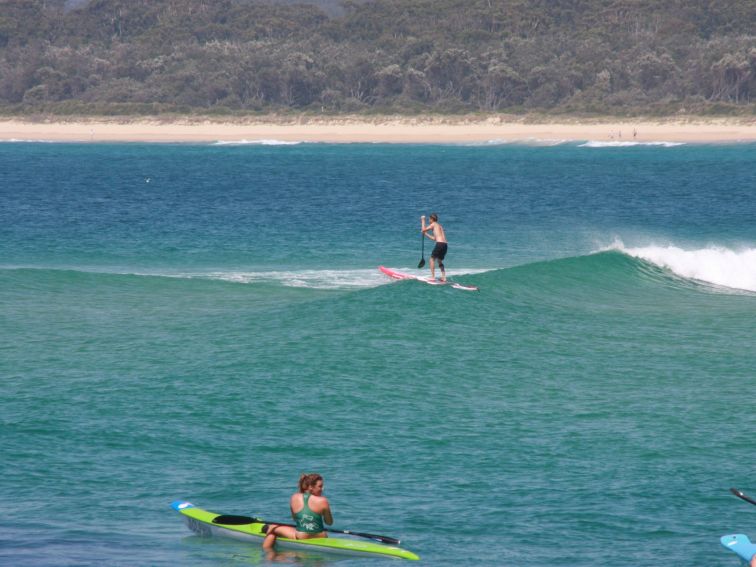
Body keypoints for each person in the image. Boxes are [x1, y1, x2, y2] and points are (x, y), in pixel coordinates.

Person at [262, 473, 333, 552]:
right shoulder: (323, 500)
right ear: (310, 487)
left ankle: (267, 554)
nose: (322, 489)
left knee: (273, 530)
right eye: (320, 486)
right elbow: (329, 523)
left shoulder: (294, 497)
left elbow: (295, 519)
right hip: (321, 536)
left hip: (302, 536)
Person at [421, 213, 447, 282]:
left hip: (439, 244)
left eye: (429, 219)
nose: (429, 220)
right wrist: (426, 234)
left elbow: (423, 229)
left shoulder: (433, 224)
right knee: (439, 261)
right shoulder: (440, 226)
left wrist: (423, 220)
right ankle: (444, 277)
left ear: (432, 219)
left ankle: (433, 277)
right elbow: (434, 238)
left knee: (431, 259)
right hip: (445, 245)